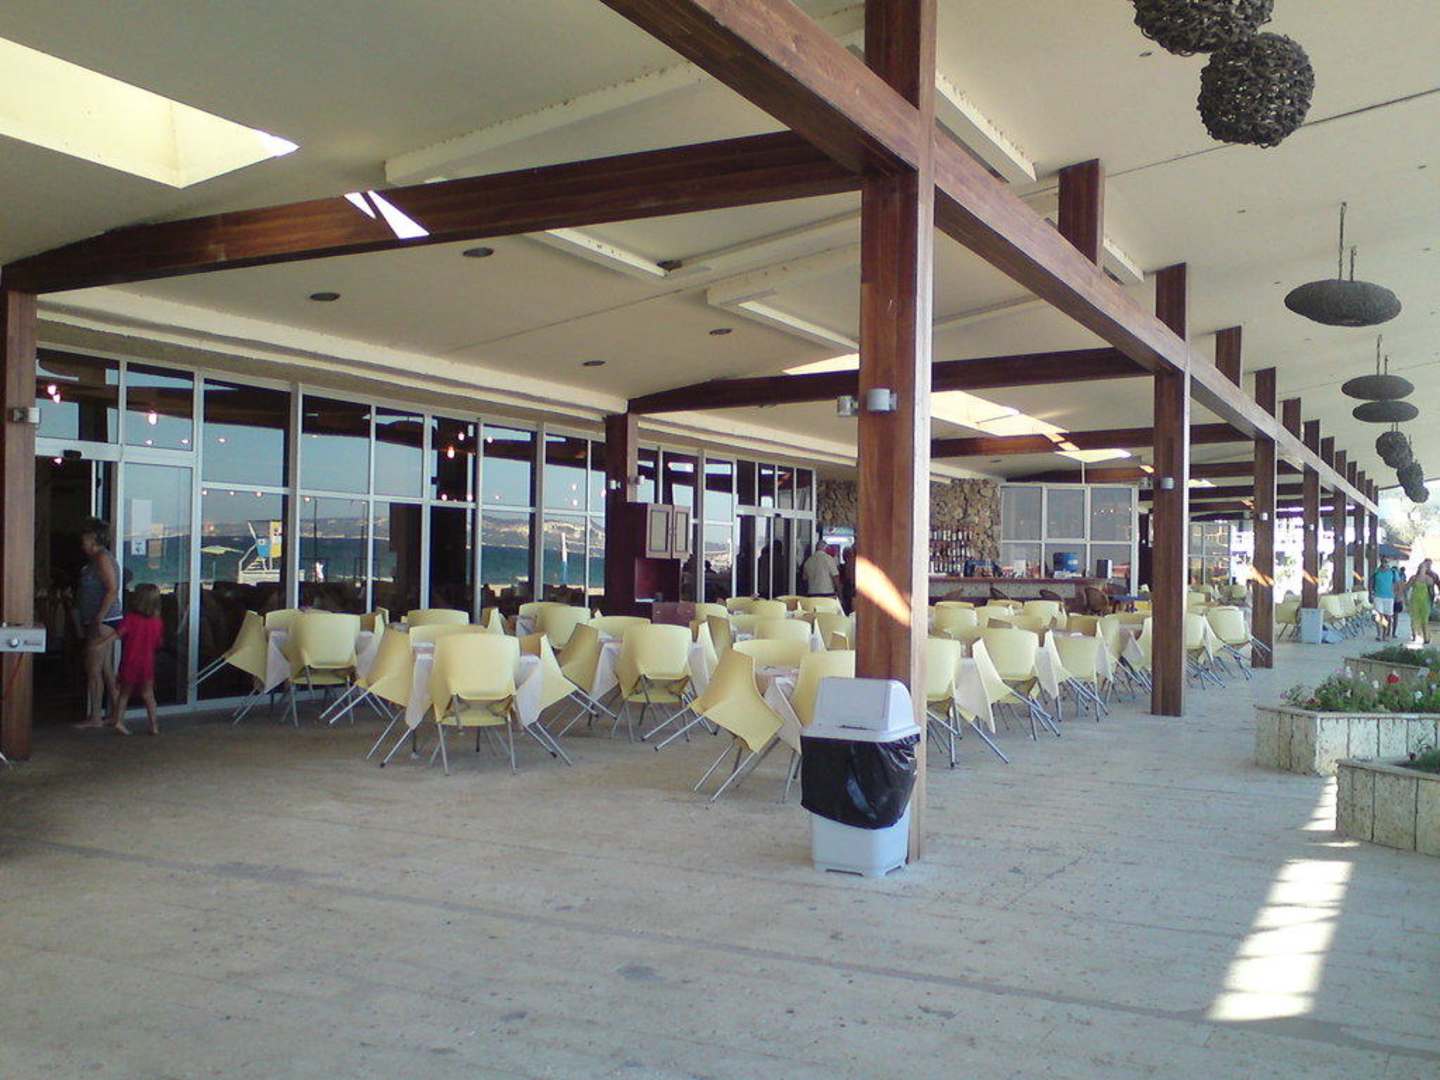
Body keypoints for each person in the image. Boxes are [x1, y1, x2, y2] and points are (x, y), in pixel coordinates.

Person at [75, 518, 122, 729]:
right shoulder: (96, 559)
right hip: (102, 619)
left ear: (93, 537)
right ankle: (116, 714)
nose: (82, 540)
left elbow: (112, 589)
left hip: (104, 620)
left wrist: (98, 617)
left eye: (85, 535)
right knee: (105, 669)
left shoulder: (102, 557)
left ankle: (95, 716)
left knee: (93, 669)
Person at [108, 584, 165, 736]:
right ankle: (154, 725)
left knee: (124, 693)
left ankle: (119, 721)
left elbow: (118, 634)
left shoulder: (131, 619)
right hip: (147, 662)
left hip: (130, 660)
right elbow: (158, 643)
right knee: (148, 695)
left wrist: (101, 643)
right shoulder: (157, 622)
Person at [1404, 559, 1439, 645]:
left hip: (1425, 601)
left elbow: (1434, 587)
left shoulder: (1430, 578)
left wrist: (1434, 598)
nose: (1423, 569)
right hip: (1415, 601)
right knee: (1414, 618)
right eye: (1422, 567)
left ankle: (1426, 637)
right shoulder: (1414, 578)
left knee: (1424, 619)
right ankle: (1414, 635)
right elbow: (1406, 588)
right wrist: (1406, 599)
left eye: (1425, 567)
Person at [1371, 558, 1403, 640]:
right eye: (1383, 561)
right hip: (1378, 596)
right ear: (1381, 562)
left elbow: (1398, 584)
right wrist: (1370, 593)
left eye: (1386, 561)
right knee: (1379, 615)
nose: (1385, 563)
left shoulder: (1393, 572)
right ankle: (1379, 634)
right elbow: (1371, 582)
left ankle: (1384, 634)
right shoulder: (1376, 572)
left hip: (1389, 597)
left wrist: (1398, 595)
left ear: (1389, 562)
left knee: (1387, 616)